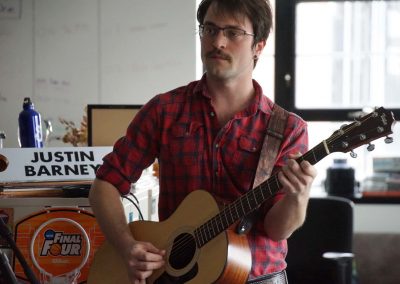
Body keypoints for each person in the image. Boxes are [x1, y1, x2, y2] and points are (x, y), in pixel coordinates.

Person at [89, 0, 317, 283]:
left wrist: (298, 196)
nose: (217, 42)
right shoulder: (165, 110)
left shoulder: (288, 129)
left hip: (257, 278)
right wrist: (126, 246)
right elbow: (105, 185)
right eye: (210, 29)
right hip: (175, 276)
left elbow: (276, 230)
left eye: (233, 33)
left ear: (258, 45)